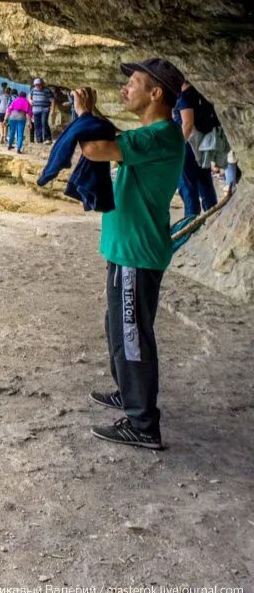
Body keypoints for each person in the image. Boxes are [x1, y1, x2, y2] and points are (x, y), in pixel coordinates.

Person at [77, 58, 186, 450]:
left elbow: (95, 149)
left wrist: (85, 116)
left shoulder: (157, 136)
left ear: (155, 93)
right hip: (128, 250)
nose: (126, 89)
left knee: (132, 334)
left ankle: (142, 424)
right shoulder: (154, 136)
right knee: (119, 328)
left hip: (136, 253)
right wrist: (95, 115)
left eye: (134, 83)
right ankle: (129, 392)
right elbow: (118, 141)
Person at [173, 80, 218, 217]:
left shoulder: (185, 96)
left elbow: (187, 124)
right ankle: (213, 214)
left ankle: (191, 221)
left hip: (187, 147)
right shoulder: (200, 94)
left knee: (187, 186)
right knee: (205, 182)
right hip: (201, 146)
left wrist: (176, 147)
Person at [30, 78, 55, 144]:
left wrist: (52, 110)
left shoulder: (46, 90)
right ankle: (39, 140)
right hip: (35, 110)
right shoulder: (33, 90)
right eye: (36, 85)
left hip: (45, 109)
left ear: (42, 84)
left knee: (44, 123)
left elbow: (52, 100)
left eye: (39, 84)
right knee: (37, 124)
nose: (38, 86)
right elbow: (29, 96)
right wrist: (30, 101)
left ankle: (47, 138)